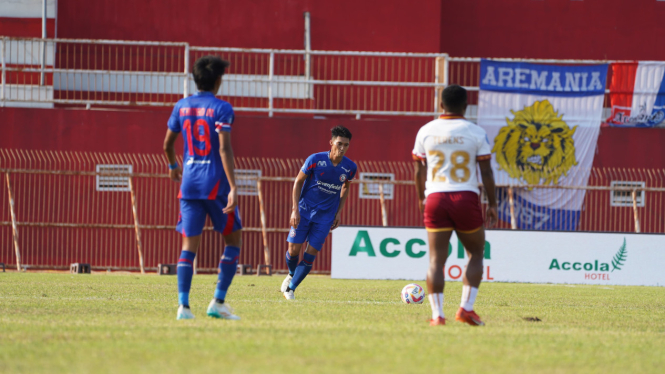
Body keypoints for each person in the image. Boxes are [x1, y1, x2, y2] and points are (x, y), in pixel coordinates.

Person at [163, 55, 242, 320]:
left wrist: (174, 166)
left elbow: (167, 145)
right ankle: (218, 302)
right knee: (233, 240)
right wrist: (233, 186)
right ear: (218, 80)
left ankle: (183, 307)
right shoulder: (222, 108)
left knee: (188, 246)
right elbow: (224, 147)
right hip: (216, 186)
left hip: (189, 186)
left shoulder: (181, 106)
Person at [412, 84, 498, 326]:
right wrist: (493, 203)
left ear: (441, 105)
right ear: (466, 106)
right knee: (476, 253)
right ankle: (466, 309)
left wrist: (421, 197)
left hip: (436, 198)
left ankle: (437, 316)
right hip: (465, 197)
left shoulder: (425, 131)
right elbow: (486, 172)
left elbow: (419, 170)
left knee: (436, 260)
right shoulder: (475, 132)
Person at [280, 126, 357, 300]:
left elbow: (346, 187)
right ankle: (292, 273)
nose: (342, 148)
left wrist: (338, 213)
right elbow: (298, 182)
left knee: (311, 253)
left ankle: (291, 289)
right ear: (331, 143)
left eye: (346, 145)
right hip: (304, 212)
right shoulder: (315, 160)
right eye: (339, 144)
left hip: (325, 217)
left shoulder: (350, 167)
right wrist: (295, 210)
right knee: (293, 251)